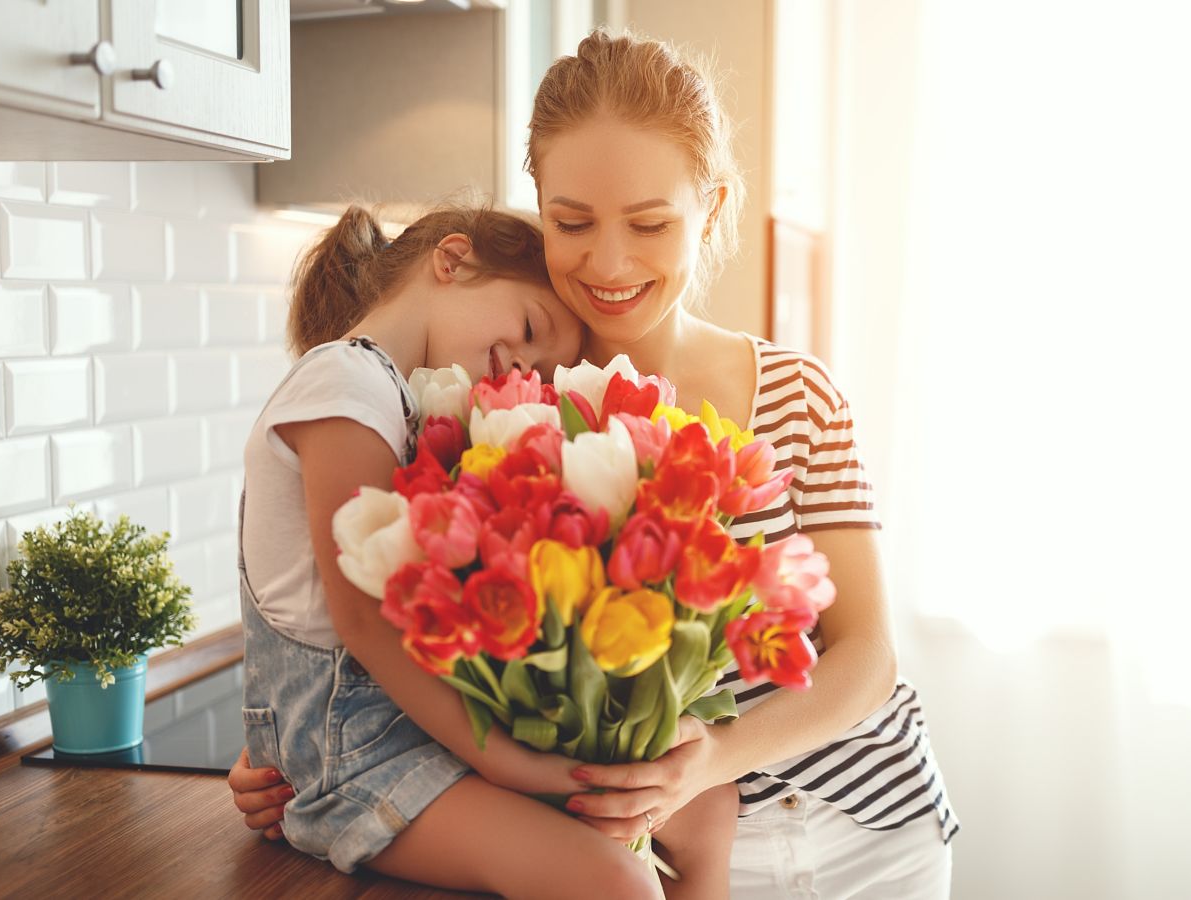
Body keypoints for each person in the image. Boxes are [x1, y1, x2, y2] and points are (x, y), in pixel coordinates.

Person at [233, 30, 959, 898]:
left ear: (713, 207)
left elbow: (867, 657)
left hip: (865, 830)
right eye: (572, 222)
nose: (608, 262)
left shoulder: (797, 395)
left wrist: (712, 759)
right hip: (652, 849)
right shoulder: (489, 410)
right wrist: (280, 742)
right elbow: (403, 626)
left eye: (649, 223)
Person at [235, 200, 736, 899]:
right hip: (357, 759)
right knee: (612, 879)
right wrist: (510, 765)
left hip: (418, 732)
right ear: (452, 259)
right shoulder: (344, 384)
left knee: (709, 806)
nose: (520, 364)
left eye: (538, 362)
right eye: (531, 328)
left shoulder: (402, 400)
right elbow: (359, 624)